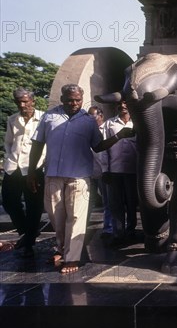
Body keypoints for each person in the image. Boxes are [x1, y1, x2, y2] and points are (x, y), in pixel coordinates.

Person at [27, 84, 133, 274]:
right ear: (62, 98)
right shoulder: (49, 117)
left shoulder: (88, 121)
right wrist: (32, 171)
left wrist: (118, 136)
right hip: (53, 174)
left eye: (77, 100)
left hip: (79, 176)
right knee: (56, 217)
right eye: (69, 99)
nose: (73, 103)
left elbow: (98, 146)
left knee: (76, 217)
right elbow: (37, 143)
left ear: (82, 99)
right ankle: (62, 250)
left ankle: (73, 257)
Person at [1, 87, 46, 258]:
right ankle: (27, 232)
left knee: (34, 204)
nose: (22, 105)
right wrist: (7, 160)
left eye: (25, 101)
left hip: (34, 168)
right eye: (18, 101)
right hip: (14, 167)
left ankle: (28, 240)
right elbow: (9, 143)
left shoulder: (43, 118)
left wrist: (41, 165)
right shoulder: (12, 119)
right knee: (9, 201)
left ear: (32, 101)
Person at [102, 99, 138, 246]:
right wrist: (105, 170)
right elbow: (104, 148)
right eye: (120, 104)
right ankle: (118, 234)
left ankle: (131, 231)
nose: (123, 106)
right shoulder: (109, 124)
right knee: (115, 205)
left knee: (132, 203)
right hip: (114, 171)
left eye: (126, 103)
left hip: (133, 171)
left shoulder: (138, 123)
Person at [88, 106, 112, 238]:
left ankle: (108, 228)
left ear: (101, 116)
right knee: (88, 202)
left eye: (93, 117)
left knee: (107, 201)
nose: (90, 120)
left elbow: (104, 153)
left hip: (103, 172)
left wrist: (106, 170)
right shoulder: (88, 131)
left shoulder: (107, 129)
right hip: (90, 172)